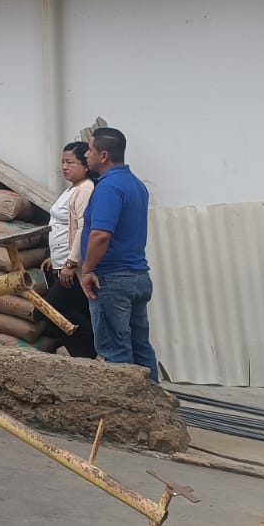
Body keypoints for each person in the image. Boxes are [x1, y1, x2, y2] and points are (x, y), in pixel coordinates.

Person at [79, 127, 159, 382]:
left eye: (90, 150)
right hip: (137, 276)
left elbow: (101, 235)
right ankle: (154, 401)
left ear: (103, 156)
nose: (86, 155)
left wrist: (87, 270)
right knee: (140, 347)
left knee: (115, 351)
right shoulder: (135, 184)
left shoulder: (109, 187)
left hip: (111, 280)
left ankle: (125, 406)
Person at [43, 142, 97, 358]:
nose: (64, 167)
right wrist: (53, 257)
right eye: (63, 162)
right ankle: (88, 352)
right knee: (75, 310)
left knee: (51, 311)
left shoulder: (85, 189)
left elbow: (83, 228)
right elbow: (64, 226)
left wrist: (70, 263)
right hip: (63, 262)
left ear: (85, 165)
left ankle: (89, 350)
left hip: (74, 267)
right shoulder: (72, 188)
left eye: (70, 162)